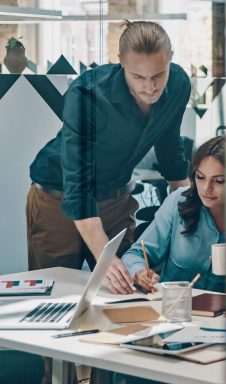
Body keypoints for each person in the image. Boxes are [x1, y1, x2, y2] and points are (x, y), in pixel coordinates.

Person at [27, 21, 191, 272]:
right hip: (57, 199)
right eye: (138, 77)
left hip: (115, 199)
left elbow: (169, 147)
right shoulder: (88, 94)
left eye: (159, 75)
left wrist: (190, 205)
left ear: (170, 59)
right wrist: (107, 261)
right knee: (59, 291)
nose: (150, 87)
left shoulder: (178, 84)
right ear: (121, 62)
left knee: (128, 286)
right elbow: (78, 187)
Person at [106, 136, 226, 295]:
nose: (206, 188)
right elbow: (135, 254)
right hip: (172, 310)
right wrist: (139, 272)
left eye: (219, 181)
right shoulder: (178, 202)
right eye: (200, 177)